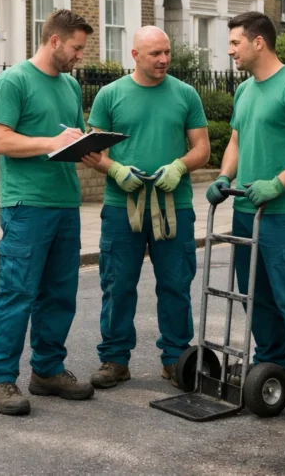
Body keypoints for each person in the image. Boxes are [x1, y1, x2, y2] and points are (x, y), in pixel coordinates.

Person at [205, 11, 285, 422]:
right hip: (247, 210)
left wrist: (278, 184)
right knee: (257, 300)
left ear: (258, 42)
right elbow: (237, 142)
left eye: (235, 43)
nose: (230, 51)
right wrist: (225, 176)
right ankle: (272, 370)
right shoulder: (245, 92)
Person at [0, 8, 96, 416]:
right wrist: (51, 141)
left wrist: (94, 148)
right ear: (54, 41)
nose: (80, 55)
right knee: (17, 293)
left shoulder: (68, 86)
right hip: (26, 205)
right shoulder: (13, 81)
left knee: (60, 294)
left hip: (65, 203)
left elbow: (69, 141)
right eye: (76, 48)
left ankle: (47, 370)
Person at [82, 26, 210, 390]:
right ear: (135, 55)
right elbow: (93, 151)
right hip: (122, 206)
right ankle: (115, 359)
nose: (164, 60)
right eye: (156, 54)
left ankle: (175, 359)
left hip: (175, 206)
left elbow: (202, 147)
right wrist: (115, 169)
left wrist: (181, 166)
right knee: (118, 283)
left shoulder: (185, 95)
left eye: (167, 52)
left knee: (175, 283)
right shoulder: (110, 95)